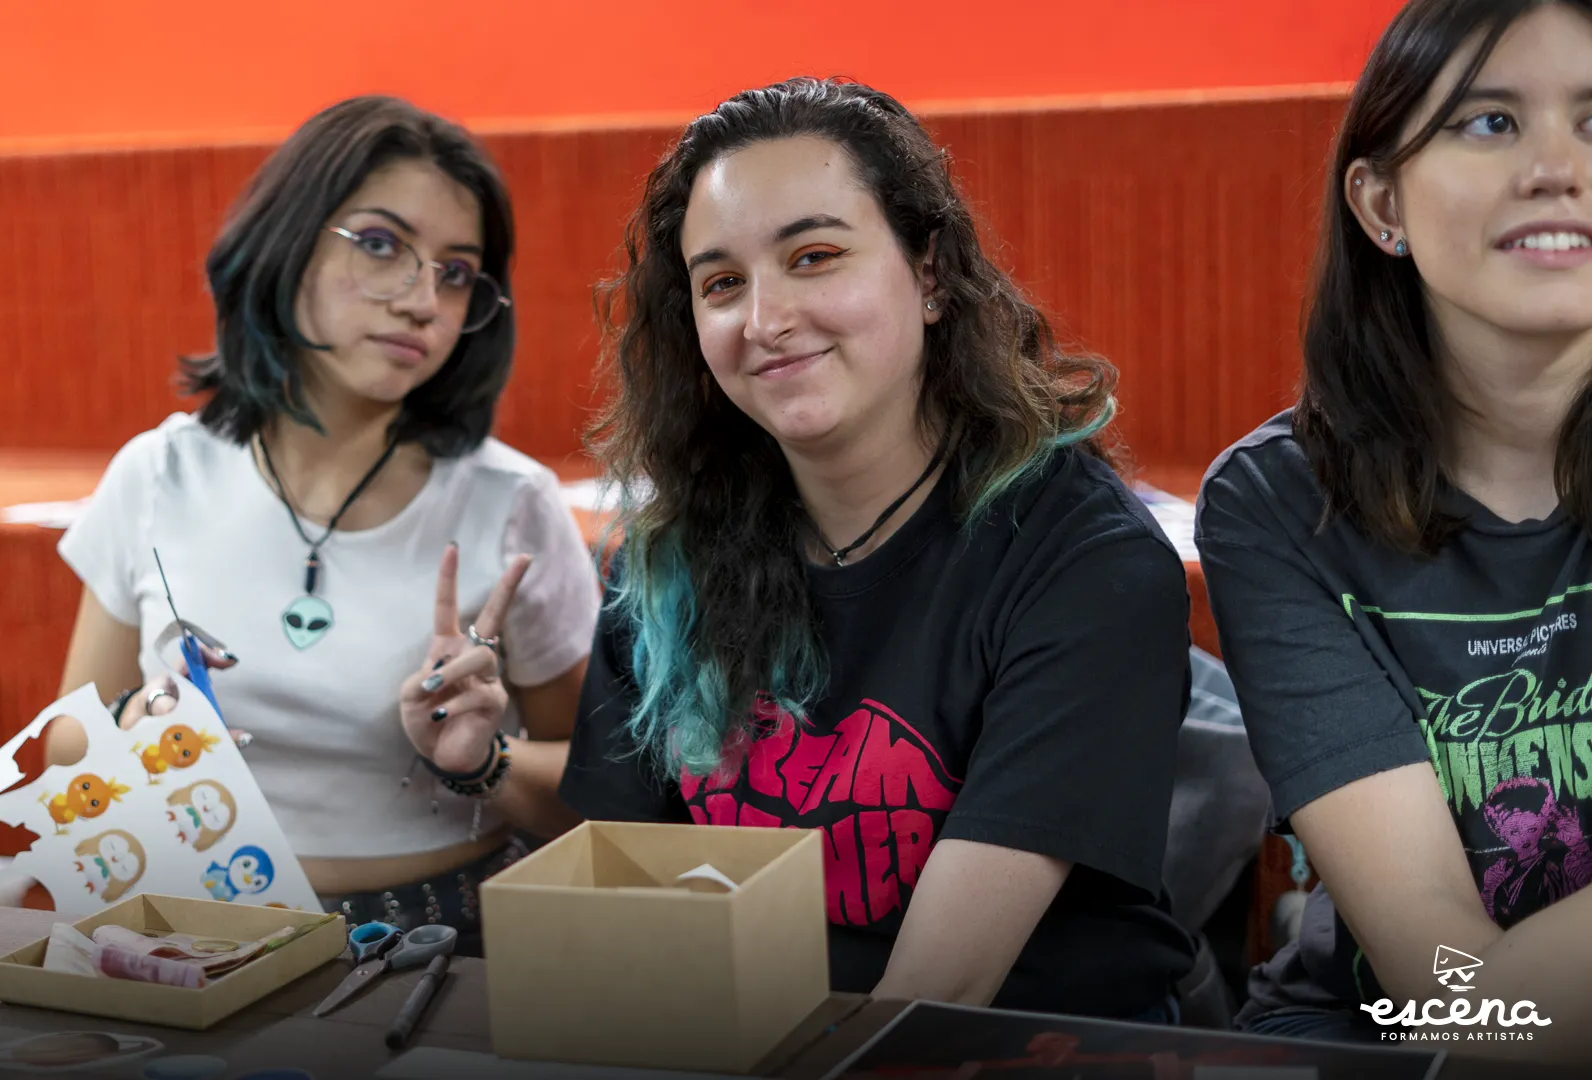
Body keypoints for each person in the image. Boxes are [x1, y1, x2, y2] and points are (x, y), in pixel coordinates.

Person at [557, 78, 1196, 1020]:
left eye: (814, 257)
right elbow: (626, 902)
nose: (764, 320)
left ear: (929, 274)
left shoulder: (1085, 563)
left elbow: (938, 992)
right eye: (722, 283)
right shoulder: (666, 563)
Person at [47, 96, 598, 949]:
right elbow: (66, 752)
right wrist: (133, 721)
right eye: (381, 245)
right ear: (289, 241)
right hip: (191, 937)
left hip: (438, 942)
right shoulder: (159, 474)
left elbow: (599, 802)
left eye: (456, 272)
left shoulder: (510, 501)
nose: (423, 301)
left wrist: (485, 761)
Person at [1197, 0, 1592, 1060]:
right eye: (1491, 121)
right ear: (1382, 204)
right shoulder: (1279, 504)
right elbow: (1463, 1000)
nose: (1558, 169)